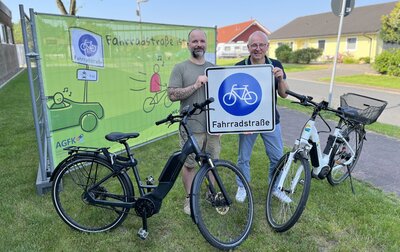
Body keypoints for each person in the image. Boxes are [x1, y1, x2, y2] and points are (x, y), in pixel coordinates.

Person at [168, 29, 221, 215]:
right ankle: (189, 199)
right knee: (190, 165)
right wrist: (195, 86)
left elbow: (221, 97)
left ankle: (211, 194)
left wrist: (221, 123)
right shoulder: (180, 68)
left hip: (212, 128)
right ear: (188, 44)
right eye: (195, 41)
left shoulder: (213, 68)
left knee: (213, 163)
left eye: (202, 41)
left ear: (206, 44)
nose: (199, 44)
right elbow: (172, 95)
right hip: (191, 128)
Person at [235, 31, 291, 203]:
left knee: (277, 157)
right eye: (254, 45)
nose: (257, 48)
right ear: (248, 47)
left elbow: (283, 95)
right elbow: (234, 99)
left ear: (267, 46)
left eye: (261, 45)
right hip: (247, 121)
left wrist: (280, 79)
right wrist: (240, 123)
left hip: (270, 120)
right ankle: (242, 186)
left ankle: (275, 188)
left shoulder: (275, 64)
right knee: (243, 158)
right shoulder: (239, 66)